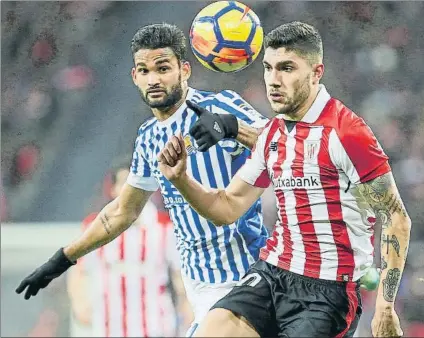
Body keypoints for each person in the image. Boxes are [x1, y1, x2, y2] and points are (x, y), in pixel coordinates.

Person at [157, 21, 411, 337]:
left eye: (287, 68)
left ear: (316, 72)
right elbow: (227, 207)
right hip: (273, 274)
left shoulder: (347, 133)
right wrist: (180, 178)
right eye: (268, 67)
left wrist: (385, 306)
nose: (273, 80)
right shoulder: (274, 134)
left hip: (327, 293)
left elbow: (397, 217)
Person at [15, 23, 270, 336]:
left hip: (245, 277)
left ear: (184, 70)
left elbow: (285, 146)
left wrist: (231, 127)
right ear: (135, 77)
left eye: (163, 68)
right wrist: (62, 260)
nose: (154, 79)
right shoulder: (148, 138)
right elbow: (122, 211)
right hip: (202, 288)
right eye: (144, 71)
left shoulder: (218, 106)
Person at [67, 158, 192, 337]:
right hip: (109, 325)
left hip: (155, 325)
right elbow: (79, 270)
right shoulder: (94, 226)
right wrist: (80, 302)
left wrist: (186, 305)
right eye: (126, 183)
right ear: (113, 189)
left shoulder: (165, 227)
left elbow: (179, 273)